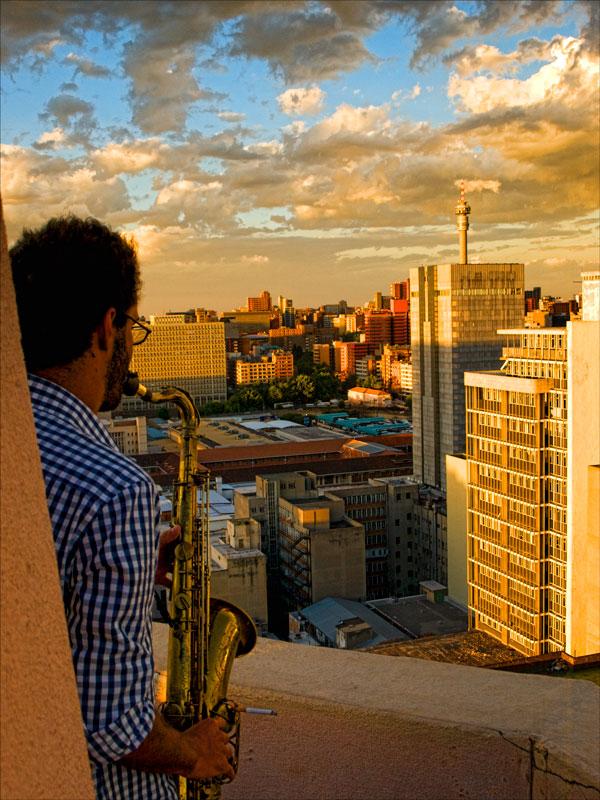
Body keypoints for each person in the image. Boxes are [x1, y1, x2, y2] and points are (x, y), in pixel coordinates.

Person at [10, 215, 234, 799]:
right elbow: (113, 724)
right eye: (134, 327)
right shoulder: (116, 490)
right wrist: (196, 755)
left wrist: (127, 562)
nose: (132, 347)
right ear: (108, 327)